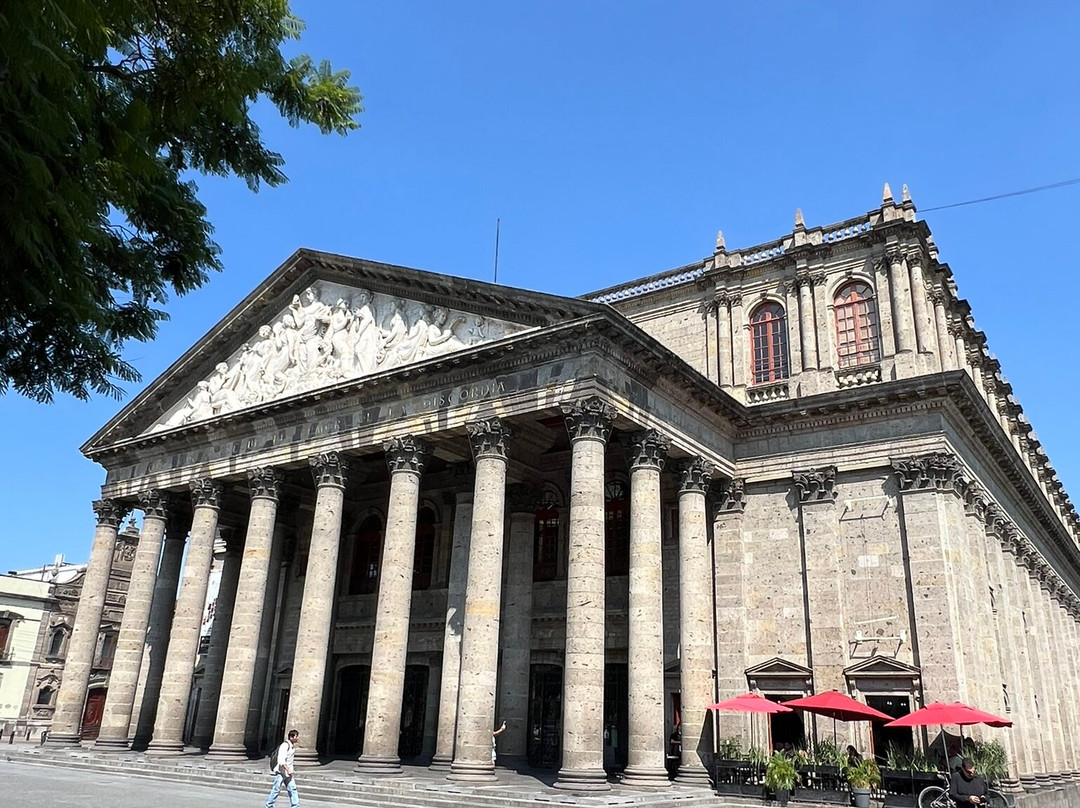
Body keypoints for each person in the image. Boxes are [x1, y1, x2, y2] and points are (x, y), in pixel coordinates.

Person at [266, 729, 300, 808]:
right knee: (276, 789)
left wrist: (290, 770)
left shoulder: (291, 746)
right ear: (291, 737)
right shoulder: (285, 745)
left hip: (288, 772)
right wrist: (287, 769)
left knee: (293, 788)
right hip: (281, 772)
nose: (297, 738)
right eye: (296, 736)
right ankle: (269, 805)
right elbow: (281, 760)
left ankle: (295, 806)